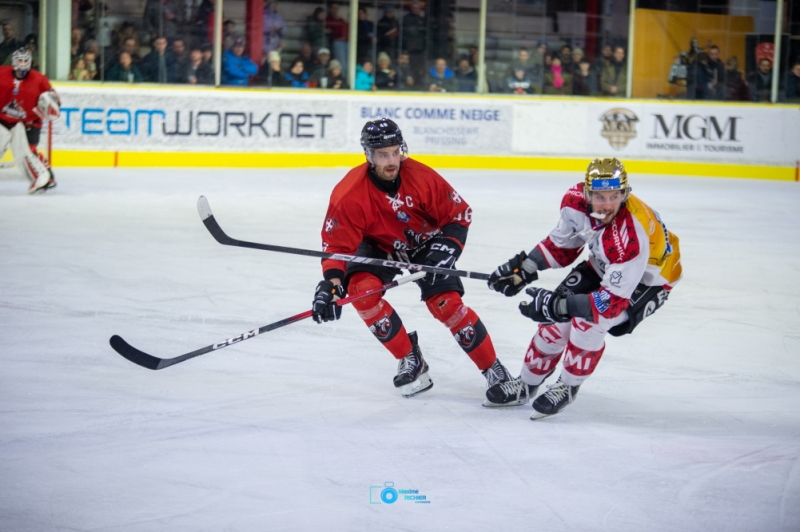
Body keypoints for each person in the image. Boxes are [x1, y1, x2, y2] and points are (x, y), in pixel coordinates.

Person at [311, 118, 514, 403]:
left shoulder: (421, 177)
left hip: (425, 242)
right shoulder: (349, 194)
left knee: (446, 304)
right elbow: (337, 246)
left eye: (396, 152)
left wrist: (446, 249)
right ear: (369, 156)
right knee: (362, 292)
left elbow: (459, 214)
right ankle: (410, 358)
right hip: (377, 245)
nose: (392, 161)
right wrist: (331, 285)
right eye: (383, 155)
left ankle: (495, 370)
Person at [486, 158, 682, 417]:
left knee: (588, 323)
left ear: (625, 194)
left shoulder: (632, 234)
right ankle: (525, 384)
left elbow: (609, 303)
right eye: (599, 197)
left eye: (614, 196)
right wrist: (524, 268)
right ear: (587, 193)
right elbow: (562, 247)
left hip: (647, 282)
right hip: (604, 264)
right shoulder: (574, 202)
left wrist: (559, 305)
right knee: (554, 325)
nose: (607, 204)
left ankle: (567, 386)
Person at [0, 48, 60, 193]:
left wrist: (53, 105)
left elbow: (53, 98)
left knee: (29, 151)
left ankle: (47, 178)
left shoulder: (39, 79)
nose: (22, 64)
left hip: (30, 121)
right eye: (20, 60)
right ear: (13, 62)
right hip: (3, 119)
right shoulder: (2, 73)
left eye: (25, 60)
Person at [326, 2, 349, 78]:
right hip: (338, 42)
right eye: (333, 8)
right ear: (330, 9)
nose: (335, 10)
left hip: (347, 42)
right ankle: (342, 79)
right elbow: (328, 31)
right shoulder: (328, 19)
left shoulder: (341, 20)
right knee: (342, 64)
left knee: (349, 64)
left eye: (337, 8)